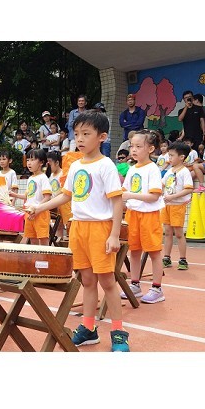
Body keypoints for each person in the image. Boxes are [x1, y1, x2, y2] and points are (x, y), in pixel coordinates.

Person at [28, 111, 129, 352]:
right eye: (77, 134)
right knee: (87, 281)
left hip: (100, 229)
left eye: (86, 134)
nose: (80, 139)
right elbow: (65, 196)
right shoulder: (74, 166)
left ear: (102, 137)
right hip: (78, 228)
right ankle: (89, 328)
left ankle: (118, 333)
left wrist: (114, 235)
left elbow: (117, 201)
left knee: (108, 281)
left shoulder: (106, 165)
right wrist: (39, 207)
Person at [121, 129, 166, 304]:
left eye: (138, 146)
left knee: (154, 251)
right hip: (133, 214)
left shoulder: (152, 169)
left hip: (149, 215)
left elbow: (154, 196)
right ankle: (135, 284)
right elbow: (124, 191)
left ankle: (157, 288)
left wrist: (130, 195)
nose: (133, 150)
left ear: (150, 148)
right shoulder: (132, 169)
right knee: (134, 251)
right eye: (132, 146)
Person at [161, 142, 194, 271]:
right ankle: (166, 257)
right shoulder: (169, 171)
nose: (169, 158)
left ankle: (182, 259)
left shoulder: (184, 172)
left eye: (171, 155)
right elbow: (162, 185)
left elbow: (188, 189)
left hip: (177, 206)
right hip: (167, 205)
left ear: (181, 157)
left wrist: (173, 197)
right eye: (169, 155)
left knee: (179, 233)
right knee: (167, 232)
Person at [10, 149, 52, 245]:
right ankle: (35, 256)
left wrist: (37, 208)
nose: (29, 163)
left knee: (43, 239)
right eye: (28, 160)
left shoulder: (43, 178)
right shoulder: (30, 178)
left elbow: (47, 197)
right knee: (32, 239)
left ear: (41, 162)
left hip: (40, 213)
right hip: (29, 213)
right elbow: (27, 196)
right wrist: (14, 195)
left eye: (32, 160)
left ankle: (45, 255)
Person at [46, 151, 72, 241]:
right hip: (55, 204)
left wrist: (54, 199)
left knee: (68, 225)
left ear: (57, 163)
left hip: (64, 204)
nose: (48, 166)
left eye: (50, 163)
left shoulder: (63, 174)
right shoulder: (51, 175)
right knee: (58, 226)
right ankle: (59, 242)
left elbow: (64, 190)